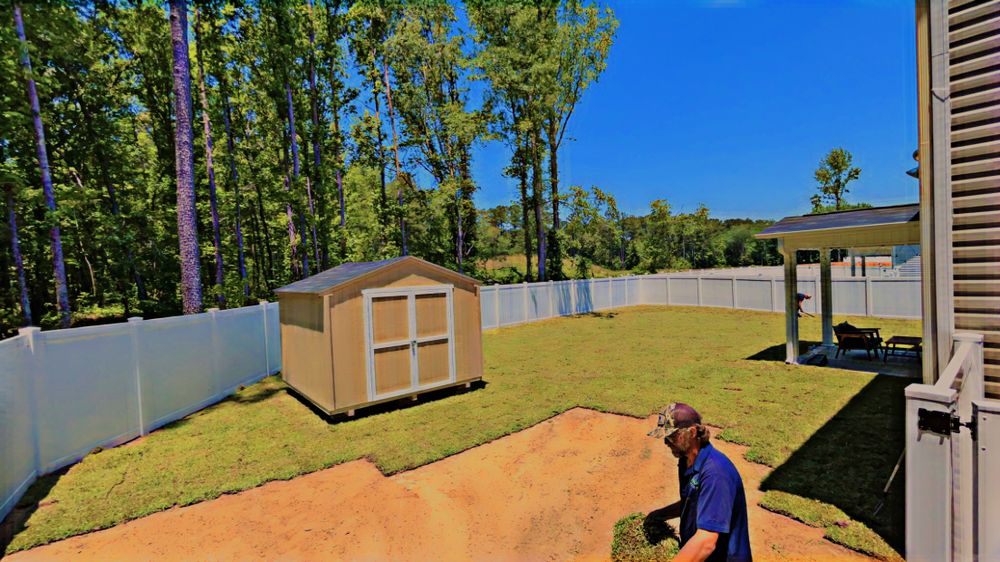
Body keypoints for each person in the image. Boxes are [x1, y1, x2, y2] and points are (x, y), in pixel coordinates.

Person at [647, 403, 752, 562]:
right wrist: (658, 515)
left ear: (693, 432)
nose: (667, 442)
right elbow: (692, 502)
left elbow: (706, 542)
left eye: (672, 436)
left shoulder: (716, 473)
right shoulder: (686, 461)